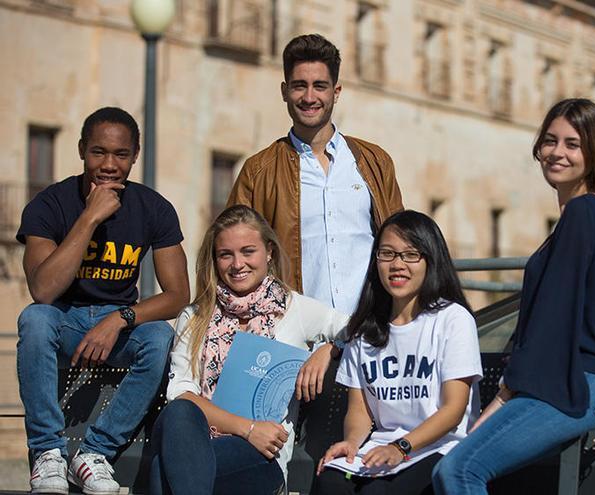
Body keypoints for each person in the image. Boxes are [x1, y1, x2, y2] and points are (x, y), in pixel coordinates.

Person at [432, 98, 595, 494]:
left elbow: (555, 317)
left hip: (583, 384)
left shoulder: (585, 213)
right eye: (550, 141)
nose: (556, 152)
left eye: (572, 144)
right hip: (580, 381)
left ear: (594, 153)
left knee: (458, 470)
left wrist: (504, 396)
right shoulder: (590, 214)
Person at [16, 106, 190, 495]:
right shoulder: (50, 204)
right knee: (34, 319)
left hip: (118, 322)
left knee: (160, 338)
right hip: (64, 319)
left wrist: (119, 319)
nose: (109, 165)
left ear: (135, 155)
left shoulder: (153, 207)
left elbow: (178, 296)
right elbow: (43, 290)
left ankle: (94, 453)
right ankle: (47, 452)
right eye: (98, 152)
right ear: (81, 150)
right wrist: (89, 218)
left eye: (121, 155)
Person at [149, 205, 349, 495]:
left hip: (260, 456)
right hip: (201, 439)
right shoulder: (194, 316)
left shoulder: (295, 308)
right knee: (180, 413)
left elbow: (364, 329)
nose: (237, 264)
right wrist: (248, 428)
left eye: (247, 251)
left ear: (269, 252)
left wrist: (330, 348)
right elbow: (181, 392)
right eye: (225, 254)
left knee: (164, 467)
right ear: (214, 260)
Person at [227, 33, 404, 315]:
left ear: (336, 92)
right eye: (300, 86)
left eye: (319, 86)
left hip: (370, 331)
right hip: (296, 337)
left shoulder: (375, 162)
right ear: (284, 91)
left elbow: (401, 244)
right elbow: (231, 254)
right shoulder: (257, 172)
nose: (309, 97)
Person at [313, 210, 482, 495]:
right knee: (329, 482)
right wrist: (352, 443)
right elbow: (360, 411)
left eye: (410, 255)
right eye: (387, 254)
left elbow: (453, 411)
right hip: (382, 449)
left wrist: (401, 447)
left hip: (440, 448)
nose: (397, 265)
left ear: (431, 260)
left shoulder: (453, 319)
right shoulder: (365, 330)